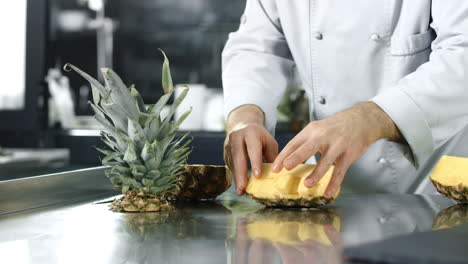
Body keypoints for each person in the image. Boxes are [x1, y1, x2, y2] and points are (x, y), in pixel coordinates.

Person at [222, 1, 468, 196]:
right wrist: (246, 115)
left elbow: (462, 56)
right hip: (325, 196)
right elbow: (256, 47)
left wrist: (371, 118)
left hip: (434, 193)